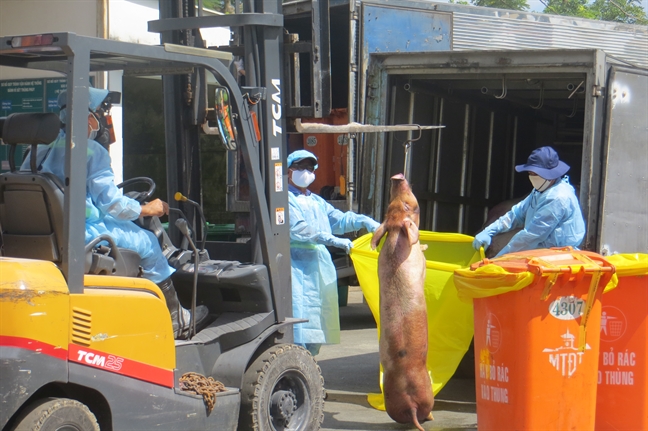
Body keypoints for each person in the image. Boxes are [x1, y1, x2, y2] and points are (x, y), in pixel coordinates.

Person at [22, 87, 208, 339]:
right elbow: (112, 204)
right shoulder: (89, 150)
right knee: (149, 242)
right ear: (88, 118)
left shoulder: (37, 152)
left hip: (51, 232)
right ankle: (177, 319)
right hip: (85, 232)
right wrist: (146, 208)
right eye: (99, 112)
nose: (101, 119)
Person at [287, 149, 380, 356]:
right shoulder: (285, 199)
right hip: (297, 267)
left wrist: (364, 221)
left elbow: (338, 219)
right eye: (299, 167)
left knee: (316, 322)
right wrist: (333, 240)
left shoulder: (316, 201)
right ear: (288, 170)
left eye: (310, 167)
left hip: (320, 267)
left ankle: (308, 369)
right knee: (299, 322)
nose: (305, 171)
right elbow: (299, 229)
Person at [473, 146, 585, 257]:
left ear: (550, 175)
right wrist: (489, 231)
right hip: (541, 254)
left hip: (558, 257)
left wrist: (502, 257)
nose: (532, 177)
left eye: (536, 174)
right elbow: (516, 214)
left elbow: (532, 236)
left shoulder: (557, 198)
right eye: (530, 173)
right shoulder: (539, 191)